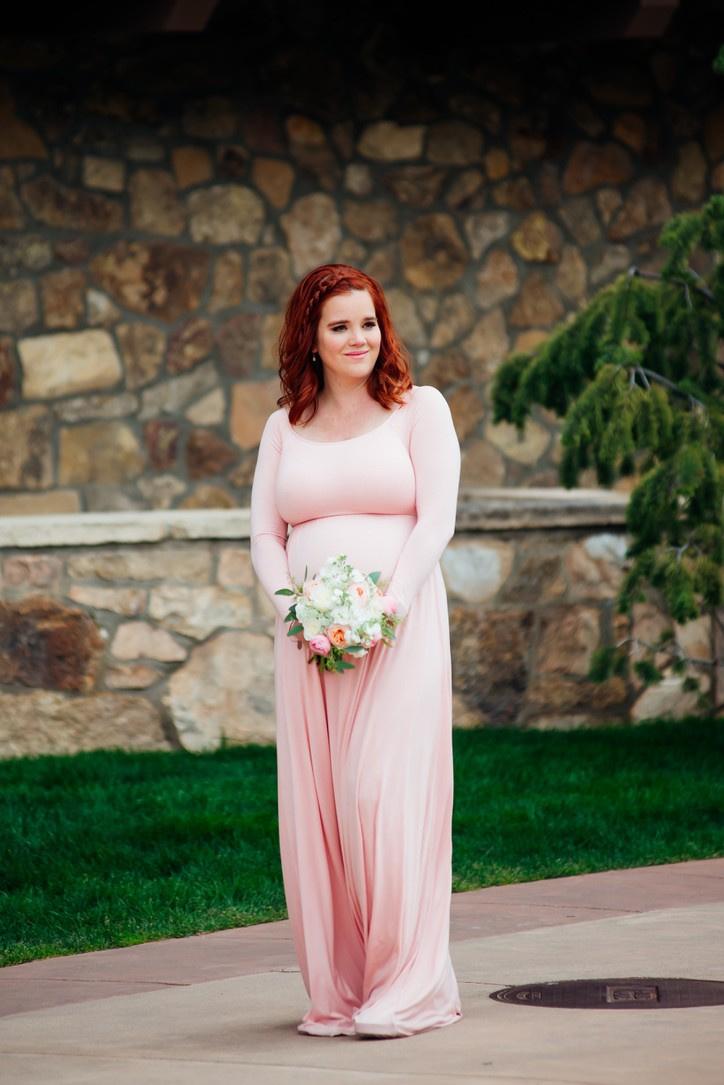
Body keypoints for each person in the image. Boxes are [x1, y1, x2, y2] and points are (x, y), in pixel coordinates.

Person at [250, 263, 463, 1040]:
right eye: (339, 325)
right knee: (326, 812)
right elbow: (264, 535)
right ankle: (341, 991)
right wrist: (298, 613)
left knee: (382, 797)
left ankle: (409, 987)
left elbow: (436, 520)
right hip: (312, 647)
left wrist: (386, 606)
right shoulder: (284, 427)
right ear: (310, 337)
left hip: (399, 634)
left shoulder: (420, 410)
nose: (357, 338)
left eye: (368, 322)